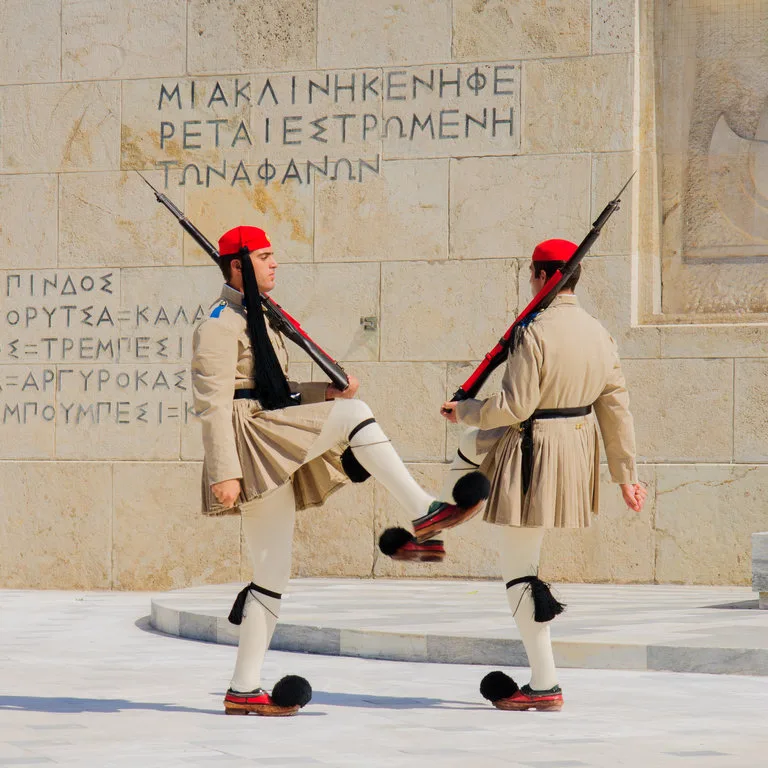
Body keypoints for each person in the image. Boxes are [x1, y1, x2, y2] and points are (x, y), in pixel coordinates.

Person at [191, 225, 489, 716]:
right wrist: (224, 471)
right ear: (238, 267)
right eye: (265, 257)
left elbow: (274, 388)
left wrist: (323, 395)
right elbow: (214, 403)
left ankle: (243, 691)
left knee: (272, 571)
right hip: (251, 439)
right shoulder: (220, 323)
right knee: (356, 416)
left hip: (270, 424)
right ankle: (425, 512)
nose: (275, 264)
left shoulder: (260, 315)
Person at [440, 238, 647, 713]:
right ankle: (445, 509)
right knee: (520, 557)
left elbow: (514, 406)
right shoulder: (600, 333)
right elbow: (616, 410)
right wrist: (625, 476)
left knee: (519, 570)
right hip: (574, 453)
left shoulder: (533, 331)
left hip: (533, 454)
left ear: (538, 275)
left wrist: (466, 410)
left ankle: (544, 683)